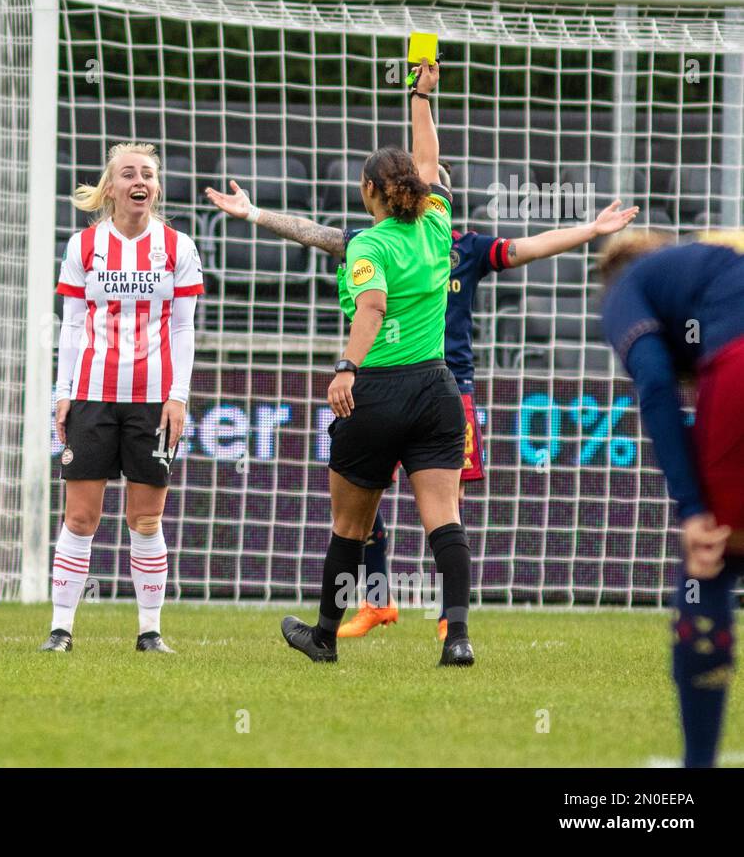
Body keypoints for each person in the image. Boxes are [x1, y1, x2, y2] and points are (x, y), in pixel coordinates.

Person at [207, 167, 637, 643]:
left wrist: (589, 231)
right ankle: (393, 603)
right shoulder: (403, 236)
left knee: (405, 505)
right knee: (398, 507)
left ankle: (424, 618)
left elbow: (528, 246)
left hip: (432, 383)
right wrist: (256, 213)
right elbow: (313, 233)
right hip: (433, 391)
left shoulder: (459, 246)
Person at [267, 60, 476, 666]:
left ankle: (325, 636)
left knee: (350, 526)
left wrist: (346, 367)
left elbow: (373, 308)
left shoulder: (368, 243)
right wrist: (420, 96)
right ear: (415, 190)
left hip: (377, 391)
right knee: (445, 520)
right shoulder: (438, 226)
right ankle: (457, 637)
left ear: (368, 193)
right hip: (438, 389)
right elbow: (429, 162)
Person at [39, 142, 204, 654]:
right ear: (110, 188)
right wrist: (62, 392)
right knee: (81, 517)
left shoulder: (178, 248)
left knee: (146, 518)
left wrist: (177, 396)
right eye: (129, 173)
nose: (140, 181)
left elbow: (183, 328)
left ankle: (149, 632)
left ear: (156, 188)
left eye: (148, 174)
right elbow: (69, 327)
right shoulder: (83, 246)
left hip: (154, 401)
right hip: (91, 396)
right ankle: (61, 629)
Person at [599, 229, 744, 767]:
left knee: (710, 561)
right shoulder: (711, 272)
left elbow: (657, 384)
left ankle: (698, 764)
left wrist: (691, 508)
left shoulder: (623, 288)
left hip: (738, 371)